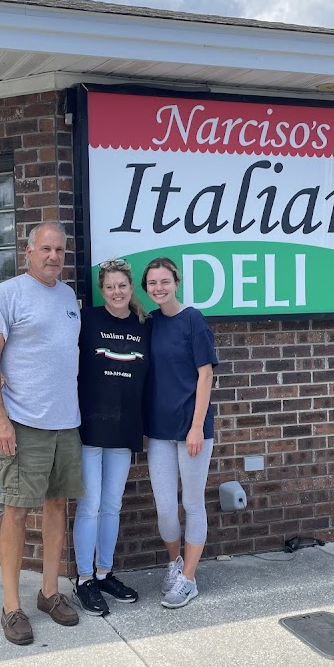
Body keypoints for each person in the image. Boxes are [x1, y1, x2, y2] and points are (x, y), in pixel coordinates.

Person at [0, 220, 84, 646]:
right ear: (28, 251)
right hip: (24, 424)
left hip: (66, 422)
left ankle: (48, 593)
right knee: (17, 511)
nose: (53, 256)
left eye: (59, 250)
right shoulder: (6, 295)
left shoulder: (68, 298)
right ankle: (11, 606)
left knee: (57, 505)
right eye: (45, 249)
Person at [73, 259, 150, 616]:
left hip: (124, 427)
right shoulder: (86, 320)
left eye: (122, 286)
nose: (116, 292)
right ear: (101, 291)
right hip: (90, 427)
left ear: (130, 288)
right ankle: (84, 579)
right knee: (90, 505)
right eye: (109, 287)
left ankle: (105, 573)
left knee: (113, 504)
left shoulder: (143, 325)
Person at [142, 257, 218, 608]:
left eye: (164, 281)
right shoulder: (150, 323)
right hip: (158, 430)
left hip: (192, 429)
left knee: (191, 502)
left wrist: (197, 427)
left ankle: (189, 578)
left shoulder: (193, 320)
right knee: (165, 509)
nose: (159, 288)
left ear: (177, 281)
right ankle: (174, 564)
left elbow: (206, 375)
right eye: (152, 283)